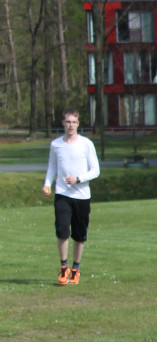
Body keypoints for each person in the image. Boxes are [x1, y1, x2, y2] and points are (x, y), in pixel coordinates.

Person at [42, 109, 99, 286]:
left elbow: (96, 170)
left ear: (78, 124)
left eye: (74, 122)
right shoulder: (56, 145)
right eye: (68, 122)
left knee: (79, 235)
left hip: (81, 195)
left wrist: (78, 179)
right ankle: (63, 266)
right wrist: (47, 184)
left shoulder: (86, 144)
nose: (71, 125)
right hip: (62, 193)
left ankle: (76, 268)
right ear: (63, 123)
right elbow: (52, 166)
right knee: (61, 230)